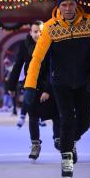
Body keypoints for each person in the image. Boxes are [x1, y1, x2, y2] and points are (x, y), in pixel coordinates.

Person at [24, 0, 90, 178]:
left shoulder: (89, 22)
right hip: (60, 83)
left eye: (70, 4)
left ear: (76, 5)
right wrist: (29, 86)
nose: (67, 8)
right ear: (58, 7)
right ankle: (66, 158)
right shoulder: (51, 27)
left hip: (84, 82)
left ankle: (69, 142)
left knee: (84, 122)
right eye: (64, 5)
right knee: (67, 119)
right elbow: (37, 57)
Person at [7, 21, 60, 161]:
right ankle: (35, 144)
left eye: (41, 32)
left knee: (56, 114)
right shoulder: (25, 46)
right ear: (30, 33)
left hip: (50, 84)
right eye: (35, 31)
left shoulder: (51, 45)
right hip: (32, 85)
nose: (38, 34)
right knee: (33, 115)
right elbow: (18, 66)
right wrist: (11, 86)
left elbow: (53, 69)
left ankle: (58, 138)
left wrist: (48, 90)